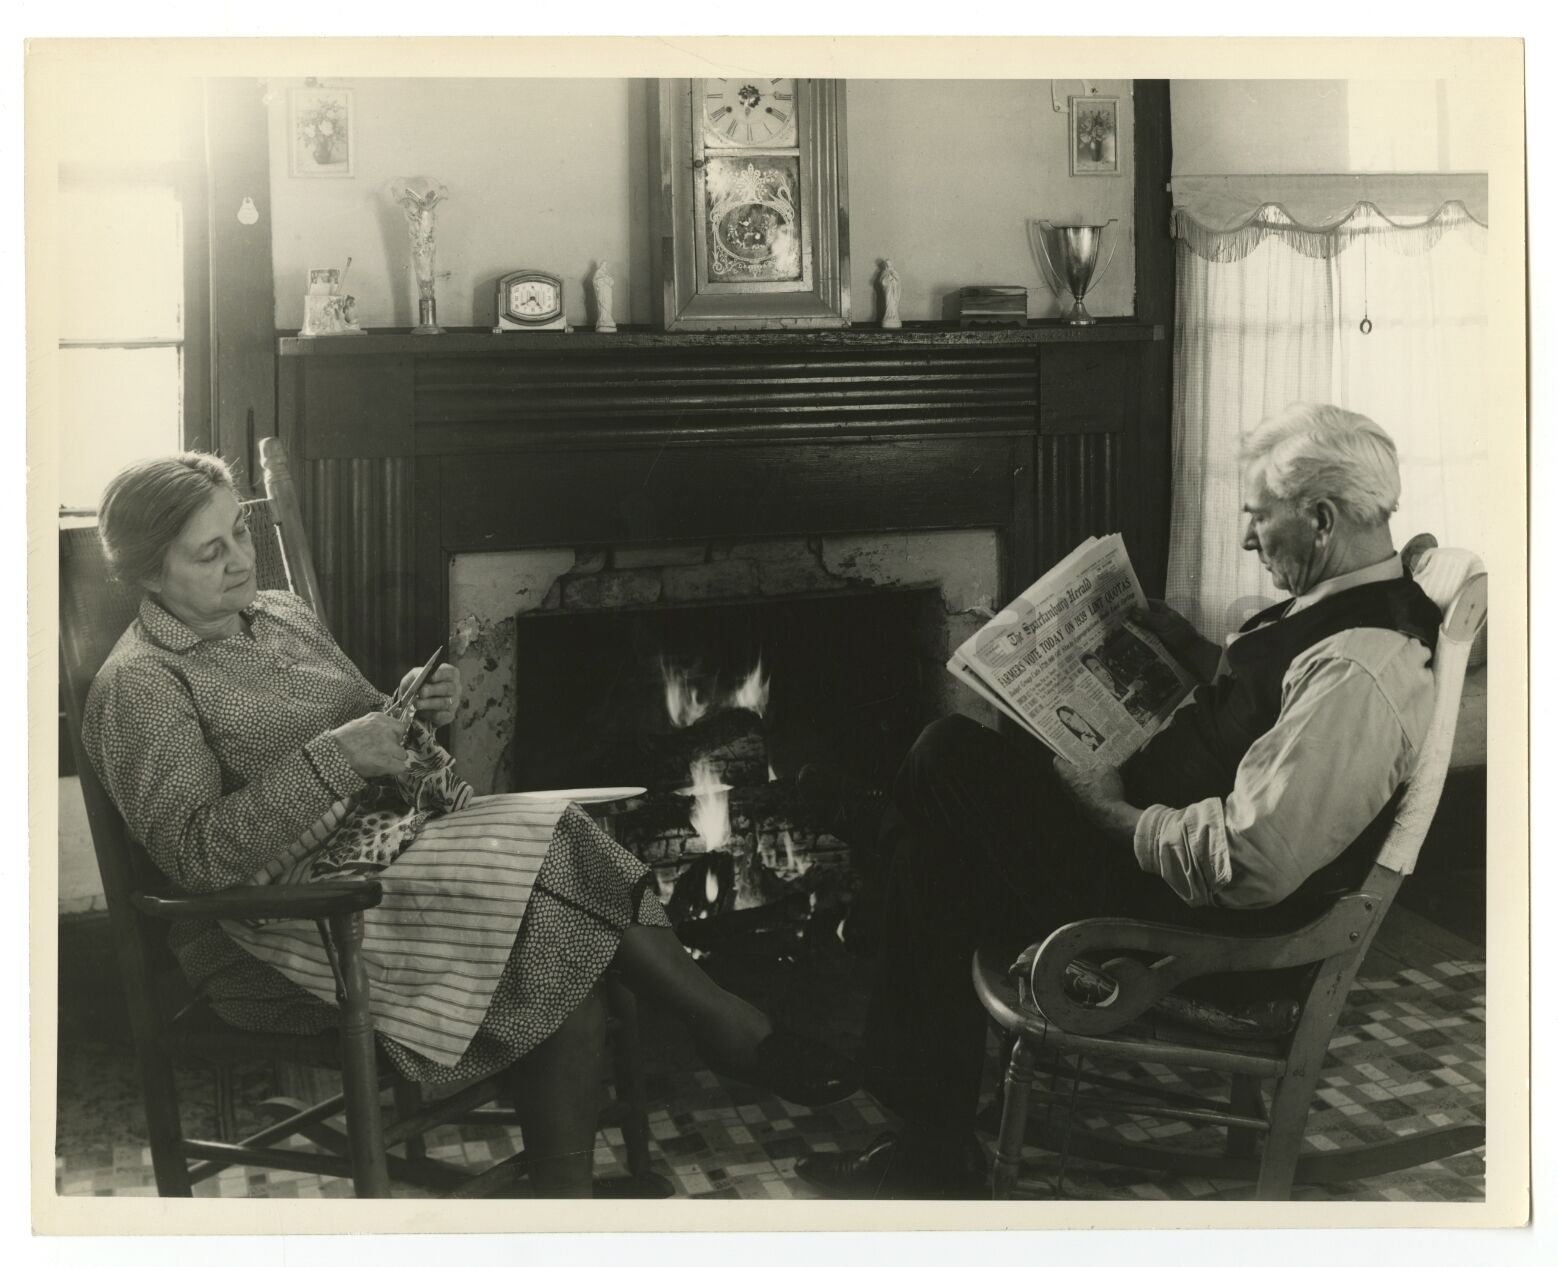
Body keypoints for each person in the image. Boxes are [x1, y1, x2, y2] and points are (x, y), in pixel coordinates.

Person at [82, 452, 855, 1198]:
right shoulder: (142, 685)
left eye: (241, 532)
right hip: (282, 933)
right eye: (209, 552)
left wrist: (413, 708)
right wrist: (337, 757)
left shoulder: (278, 614)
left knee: (560, 927)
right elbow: (196, 854)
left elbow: (366, 729)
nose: (242, 561)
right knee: (560, 885)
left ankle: (569, 1195)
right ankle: (723, 1031)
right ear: (150, 574)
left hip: (391, 864)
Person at [796, 403, 1442, 1197]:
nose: (1246, 540)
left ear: (1320, 517)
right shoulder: (1333, 615)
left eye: (1256, 518)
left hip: (1195, 927)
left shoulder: (1363, 669)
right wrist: (1196, 655)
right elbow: (1269, 725)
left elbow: (1255, 861)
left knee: (944, 756)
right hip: (1149, 869)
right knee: (933, 849)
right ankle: (930, 1147)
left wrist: (1111, 814)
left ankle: (876, 838)